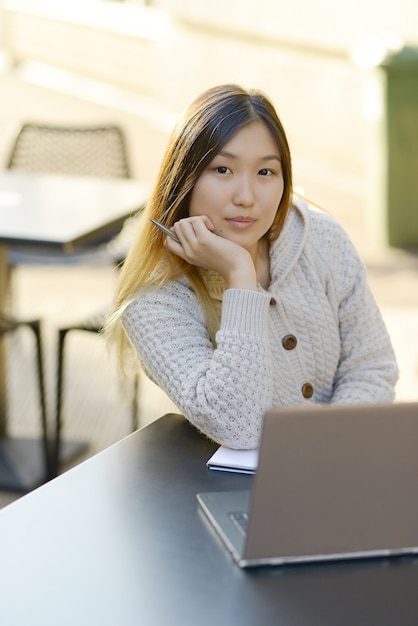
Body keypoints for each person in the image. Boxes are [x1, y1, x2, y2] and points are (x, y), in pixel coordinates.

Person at [105, 83, 398, 450]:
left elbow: (372, 366)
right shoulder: (155, 299)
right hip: (227, 493)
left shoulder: (321, 239)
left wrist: (328, 444)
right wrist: (239, 276)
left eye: (265, 173)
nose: (246, 197)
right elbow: (237, 426)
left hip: (344, 462)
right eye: (223, 169)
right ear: (184, 179)